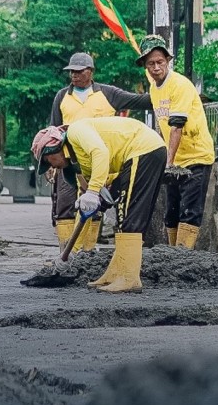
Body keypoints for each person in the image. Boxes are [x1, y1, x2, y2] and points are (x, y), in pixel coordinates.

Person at [33, 117, 166, 293]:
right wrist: (72, 251)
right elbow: (85, 210)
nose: (53, 167)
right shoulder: (80, 164)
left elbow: (100, 152)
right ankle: (115, 273)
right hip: (138, 155)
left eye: (48, 161)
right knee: (122, 216)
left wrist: (94, 190)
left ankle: (129, 278)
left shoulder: (76, 131)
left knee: (128, 215)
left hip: (143, 149)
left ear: (52, 150)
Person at [49, 52, 152, 253]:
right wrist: (51, 164)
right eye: (71, 72)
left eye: (79, 71)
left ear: (91, 71)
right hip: (69, 161)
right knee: (65, 205)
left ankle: (87, 252)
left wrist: (165, 94)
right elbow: (53, 131)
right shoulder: (62, 96)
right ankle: (66, 252)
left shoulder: (108, 93)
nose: (74, 75)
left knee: (93, 206)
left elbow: (139, 101)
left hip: (99, 159)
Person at [137, 34, 216, 249]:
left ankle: (183, 254)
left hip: (196, 156)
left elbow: (176, 125)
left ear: (168, 61)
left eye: (160, 62)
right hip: (176, 158)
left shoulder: (179, 85)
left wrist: (168, 163)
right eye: (151, 63)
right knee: (171, 212)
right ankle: (173, 254)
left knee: (190, 210)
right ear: (145, 65)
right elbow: (161, 125)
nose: (156, 67)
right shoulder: (154, 89)